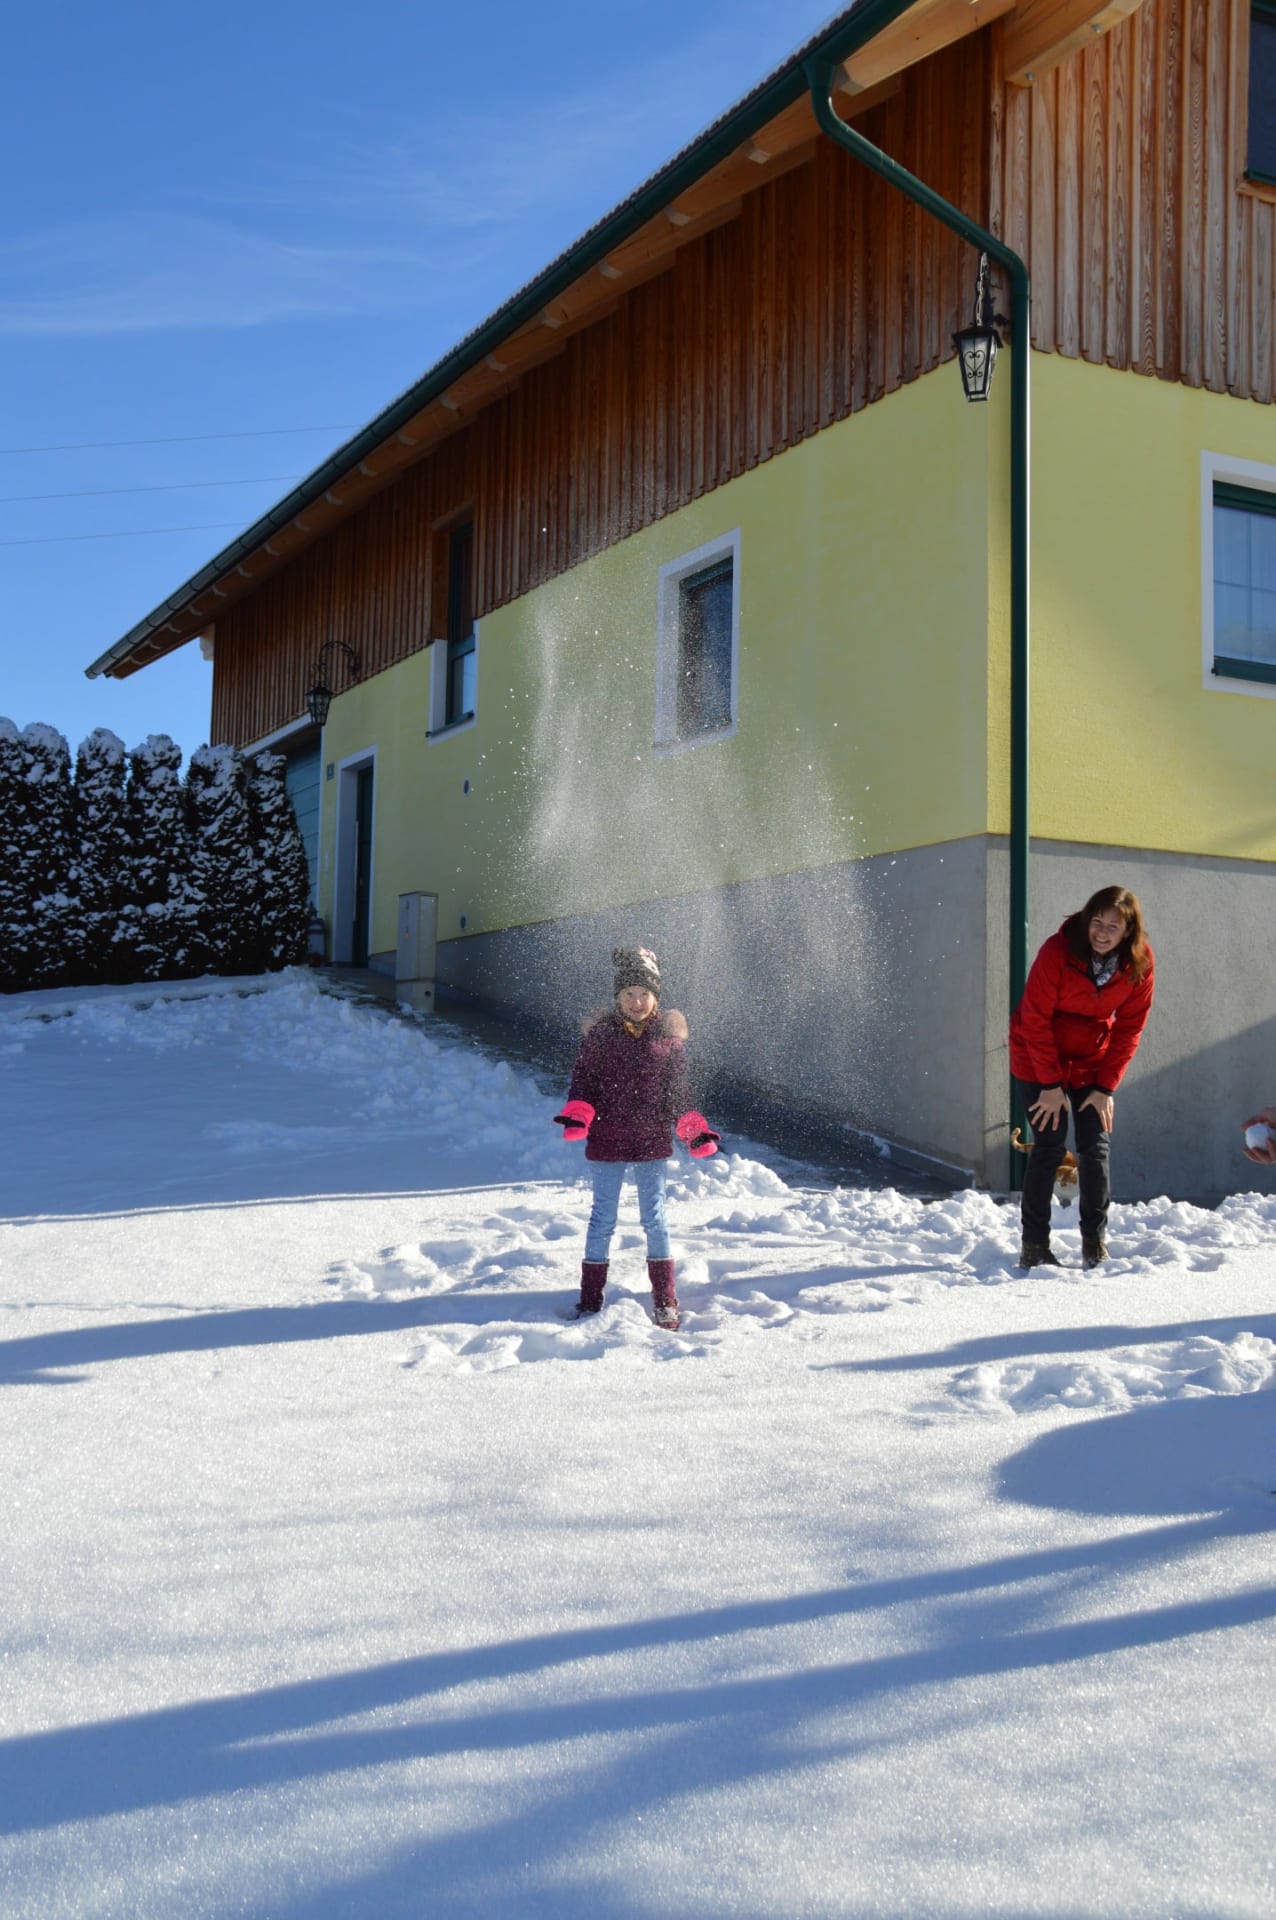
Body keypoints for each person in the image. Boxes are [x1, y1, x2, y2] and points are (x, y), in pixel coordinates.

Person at [553, 946, 719, 1330]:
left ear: (655, 997)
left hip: (650, 1142)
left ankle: (665, 1299)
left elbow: (678, 1096)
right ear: (618, 997)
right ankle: (590, 1299)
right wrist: (579, 1113)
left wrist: (693, 1129)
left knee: (655, 1219)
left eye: (644, 994)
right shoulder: (599, 1038)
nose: (637, 1001)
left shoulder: (668, 1043)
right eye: (629, 993)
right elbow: (584, 1084)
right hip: (607, 1140)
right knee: (602, 1219)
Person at [1008, 886, 1155, 1270]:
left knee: (1095, 1146)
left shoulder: (1139, 963)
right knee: (1049, 1144)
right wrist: (1050, 1085)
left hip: (1091, 1059)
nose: (1102, 933)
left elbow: (1130, 1028)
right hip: (1037, 1055)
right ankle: (1034, 1245)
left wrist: (1106, 1087)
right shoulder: (1057, 952)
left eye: (1113, 926)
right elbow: (1035, 1018)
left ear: (1128, 931)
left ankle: (1094, 1242)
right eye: (1096, 922)